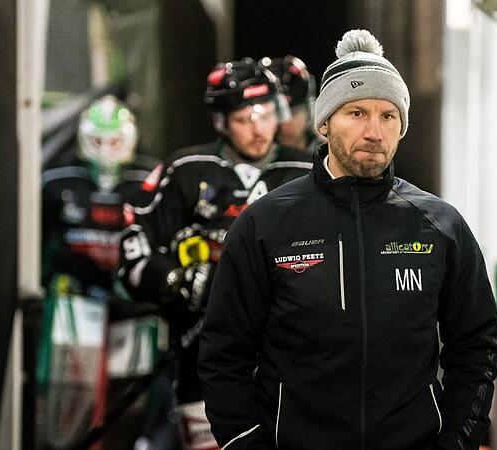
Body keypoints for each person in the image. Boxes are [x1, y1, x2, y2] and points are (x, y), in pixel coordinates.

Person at [198, 30, 497, 450]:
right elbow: (223, 352)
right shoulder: (265, 225)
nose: (374, 131)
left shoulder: (439, 226)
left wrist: (457, 440)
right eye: (356, 113)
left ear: (401, 127)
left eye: (387, 116)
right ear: (324, 122)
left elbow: (476, 345)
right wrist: (247, 443)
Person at [118, 57, 313, 450]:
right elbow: (133, 247)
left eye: (266, 114)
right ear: (222, 122)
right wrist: (176, 279)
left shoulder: (311, 170)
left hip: (299, 358)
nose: (258, 128)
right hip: (204, 355)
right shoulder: (185, 170)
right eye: (243, 118)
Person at [42, 95, 157, 298]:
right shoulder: (55, 179)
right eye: (98, 141)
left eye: (114, 141)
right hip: (72, 292)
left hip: (132, 296)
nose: (105, 149)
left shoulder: (150, 180)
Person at [260, 55, 324, 153]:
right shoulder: (252, 156)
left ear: (309, 110)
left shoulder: (331, 153)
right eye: (277, 113)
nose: (285, 123)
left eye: (293, 113)